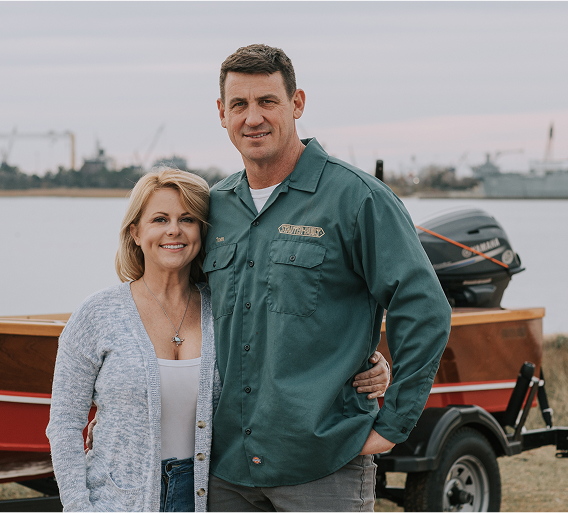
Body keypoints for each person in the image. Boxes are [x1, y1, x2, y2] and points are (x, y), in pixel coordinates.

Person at [45, 168, 391, 512]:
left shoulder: (226, 308)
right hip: (115, 500)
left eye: (188, 219)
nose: (174, 231)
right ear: (135, 232)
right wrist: (78, 506)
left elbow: (286, 345)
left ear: (203, 232)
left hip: (207, 496)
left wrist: (370, 362)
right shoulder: (97, 314)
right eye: (160, 219)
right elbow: (64, 424)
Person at [204, 44, 453, 511]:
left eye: (267, 102)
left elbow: (424, 308)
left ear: (296, 104)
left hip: (323, 466)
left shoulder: (357, 199)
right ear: (222, 113)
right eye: (239, 104)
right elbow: (173, 310)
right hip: (226, 470)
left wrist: (391, 424)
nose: (252, 117)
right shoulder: (212, 208)